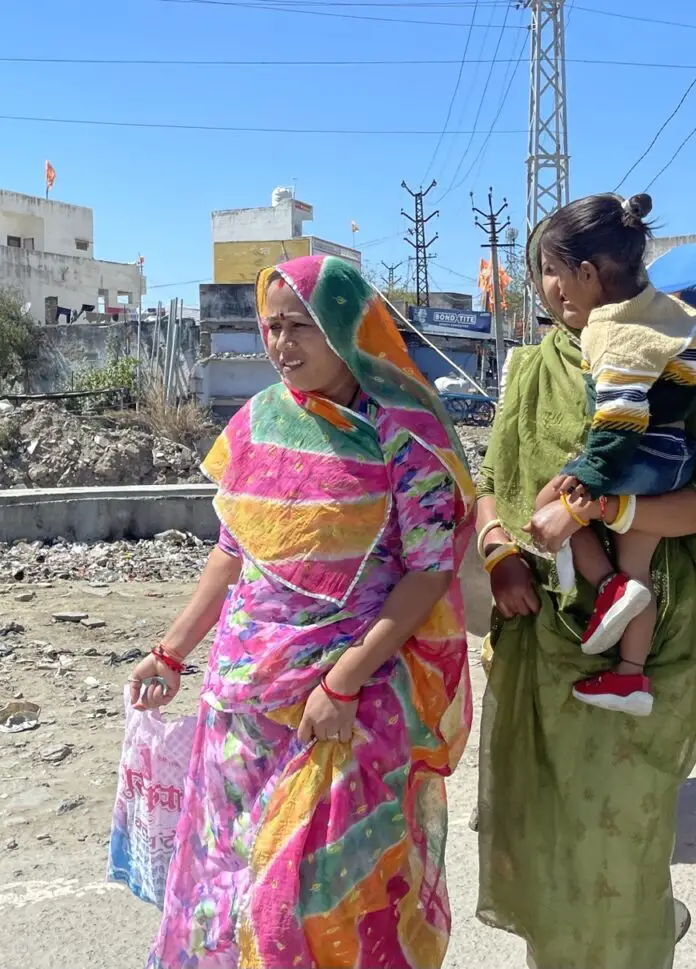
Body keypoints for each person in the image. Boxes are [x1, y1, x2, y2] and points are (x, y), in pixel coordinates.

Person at [129, 254, 475, 969]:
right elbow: (232, 555)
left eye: (300, 327)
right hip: (242, 703)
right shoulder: (259, 425)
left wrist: (344, 680)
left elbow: (428, 572)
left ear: (345, 328)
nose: (281, 345)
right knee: (226, 893)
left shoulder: (403, 436)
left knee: (312, 905)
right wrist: (170, 651)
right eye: (271, 327)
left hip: (350, 703)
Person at [475, 214, 696, 969]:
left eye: (558, 269)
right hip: (545, 645)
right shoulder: (531, 370)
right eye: (542, 273)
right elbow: (495, 484)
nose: (551, 288)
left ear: (598, 268)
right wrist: (498, 551)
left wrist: (605, 507)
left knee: (622, 842)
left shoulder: (663, 360)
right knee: (549, 837)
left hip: (644, 654)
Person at [525, 192, 696, 717]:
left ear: (586, 273)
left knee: (552, 500)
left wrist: (581, 492)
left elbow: (619, 418)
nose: (550, 286)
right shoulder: (671, 310)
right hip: (673, 451)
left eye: (552, 270)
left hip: (637, 455)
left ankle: (602, 585)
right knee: (639, 571)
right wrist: (677, 383)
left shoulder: (610, 333)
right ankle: (630, 677)